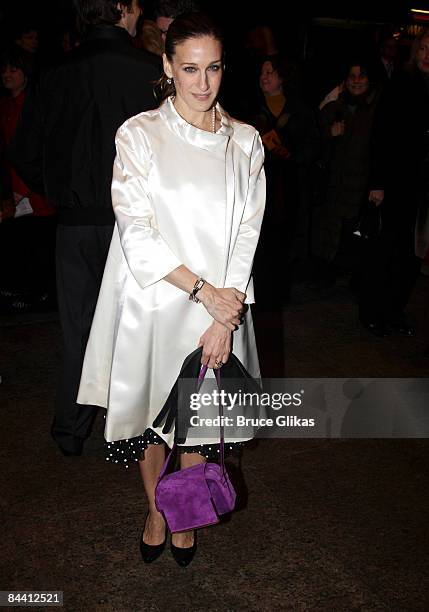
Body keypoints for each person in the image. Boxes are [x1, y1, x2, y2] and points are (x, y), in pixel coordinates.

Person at [77, 12, 266, 566]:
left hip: (220, 307)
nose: (203, 84)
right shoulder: (139, 135)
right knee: (150, 425)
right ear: (167, 65)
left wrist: (223, 315)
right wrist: (204, 292)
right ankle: (156, 510)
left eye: (213, 68)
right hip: (155, 300)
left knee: (197, 426)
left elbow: (246, 233)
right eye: (189, 69)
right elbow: (136, 230)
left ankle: (183, 517)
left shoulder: (245, 142)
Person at [9, 0, 160, 456]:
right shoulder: (149, 70)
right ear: (122, 8)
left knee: (78, 330)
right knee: (139, 327)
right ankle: (139, 427)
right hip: (136, 222)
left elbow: (24, 152)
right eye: (135, 5)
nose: (140, 13)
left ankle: (71, 430)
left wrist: (58, 186)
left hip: (75, 223)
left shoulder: (55, 72)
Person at [359, 28, 429, 337]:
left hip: (423, 188)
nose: (428, 56)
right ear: (416, 50)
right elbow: (381, 135)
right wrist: (377, 182)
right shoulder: (401, 82)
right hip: (396, 183)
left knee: (412, 256)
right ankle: (373, 311)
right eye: (424, 48)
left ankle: (395, 310)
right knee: (385, 250)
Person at [311, 60, 378, 287]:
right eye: (352, 76)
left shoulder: (376, 110)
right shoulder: (333, 106)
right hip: (334, 182)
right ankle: (324, 274)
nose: (357, 81)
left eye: (362, 76)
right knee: (328, 230)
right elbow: (314, 143)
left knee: (354, 231)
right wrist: (330, 134)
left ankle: (351, 274)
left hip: (361, 182)